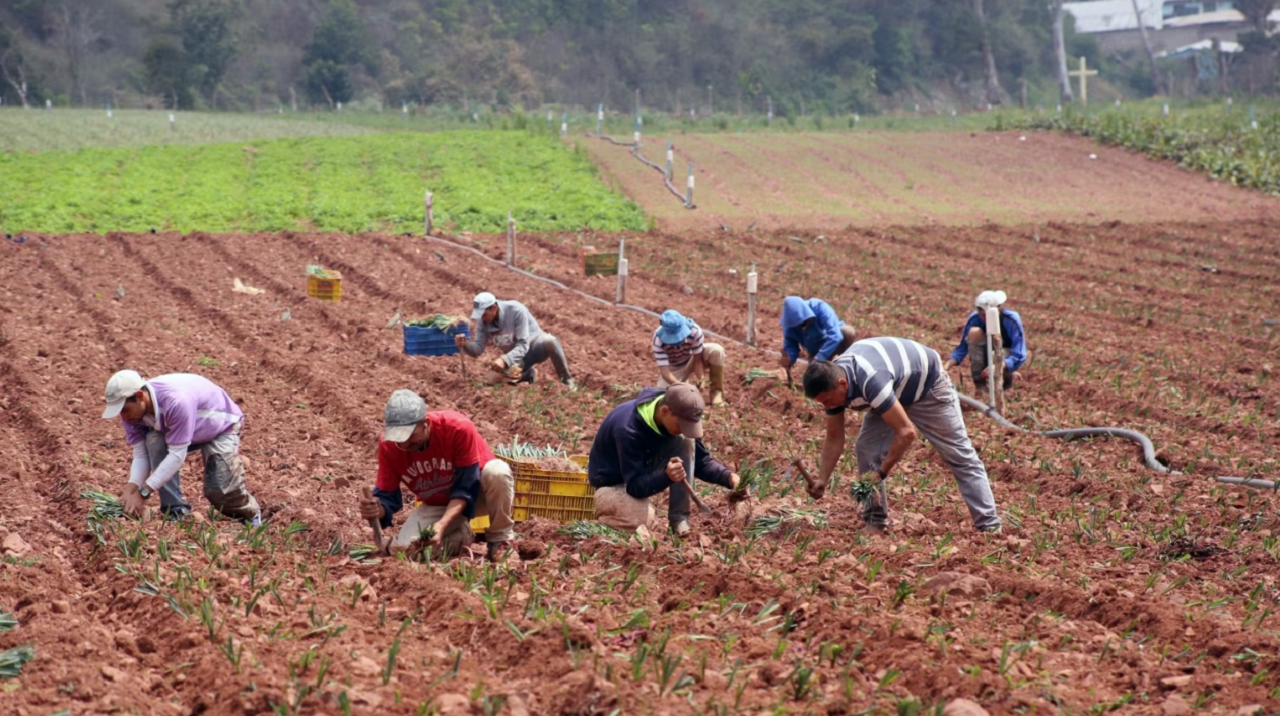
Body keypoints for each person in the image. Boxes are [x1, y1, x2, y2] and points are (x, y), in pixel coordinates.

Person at [800, 338, 1002, 534]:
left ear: (842, 384)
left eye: (828, 400)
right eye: (822, 403)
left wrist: (880, 473)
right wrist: (822, 479)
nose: (827, 407)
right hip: (893, 386)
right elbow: (834, 438)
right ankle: (876, 521)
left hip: (927, 386)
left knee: (959, 455)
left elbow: (906, 433)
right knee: (866, 449)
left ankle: (989, 524)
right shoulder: (834, 386)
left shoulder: (871, 381)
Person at [356, 389, 516, 562]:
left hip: (479, 493)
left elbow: (465, 486)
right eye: (398, 437)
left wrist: (441, 525)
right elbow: (388, 495)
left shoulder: (457, 427)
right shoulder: (389, 446)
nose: (404, 443)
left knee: (497, 471)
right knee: (405, 551)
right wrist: (376, 509)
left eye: (409, 435)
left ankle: (500, 539)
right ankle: (462, 535)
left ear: (425, 423)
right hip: (439, 503)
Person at [103, 370, 261, 524]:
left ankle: (250, 513)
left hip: (220, 427)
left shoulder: (176, 401)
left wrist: (142, 493)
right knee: (153, 439)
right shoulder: (133, 414)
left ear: (139, 396)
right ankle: (175, 510)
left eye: (124, 410)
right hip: (183, 428)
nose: (123, 417)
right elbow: (141, 454)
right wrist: (130, 489)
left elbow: (176, 456)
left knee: (220, 489)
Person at [587, 383, 740, 536]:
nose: (685, 430)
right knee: (640, 521)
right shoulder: (628, 429)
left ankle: (679, 519)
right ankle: (609, 518)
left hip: (643, 466)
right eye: (682, 425)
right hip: (613, 483)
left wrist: (729, 477)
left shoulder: (671, 406)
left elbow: (701, 462)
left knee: (686, 440)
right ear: (665, 411)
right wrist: (666, 476)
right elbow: (634, 486)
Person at [456, 291, 575, 389]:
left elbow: (523, 345)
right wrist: (465, 344)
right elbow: (477, 349)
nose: (482, 319)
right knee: (489, 381)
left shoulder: (516, 310)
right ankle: (527, 374)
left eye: (484, 314)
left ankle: (567, 382)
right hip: (516, 358)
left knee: (550, 341)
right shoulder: (483, 322)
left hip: (534, 346)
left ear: (494, 308)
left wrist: (504, 360)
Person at [943, 290, 1027, 392]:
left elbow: (1020, 354)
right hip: (985, 353)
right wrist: (946, 367)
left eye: (988, 315)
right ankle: (980, 385)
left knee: (994, 355)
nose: (984, 318)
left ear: (998, 309)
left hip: (1004, 356)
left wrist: (1001, 365)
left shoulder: (1011, 320)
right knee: (974, 332)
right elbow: (962, 348)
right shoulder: (975, 318)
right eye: (982, 315)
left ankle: (1004, 384)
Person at [652, 309, 727, 406]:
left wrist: (701, 379)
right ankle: (684, 384)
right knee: (662, 393)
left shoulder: (694, 330)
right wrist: (683, 386)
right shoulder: (658, 339)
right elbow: (665, 372)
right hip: (674, 367)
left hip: (692, 358)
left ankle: (716, 392)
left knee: (717, 351)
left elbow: (698, 359)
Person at [778, 296, 857, 370]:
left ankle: (846, 360)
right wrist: (789, 359)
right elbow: (791, 346)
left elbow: (836, 336)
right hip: (815, 351)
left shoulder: (819, 307)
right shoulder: (789, 326)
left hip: (834, 343)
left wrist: (819, 358)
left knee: (848, 332)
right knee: (815, 377)